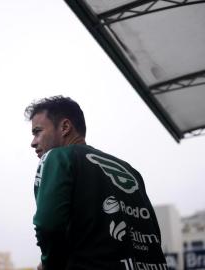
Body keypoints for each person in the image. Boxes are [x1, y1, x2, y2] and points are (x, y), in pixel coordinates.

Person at [24, 96, 167, 270]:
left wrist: (49, 263)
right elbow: (152, 232)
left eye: (37, 132)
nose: (33, 142)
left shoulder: (57, 157)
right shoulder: (130, 171)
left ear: (65, 127)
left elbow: (48, 226)